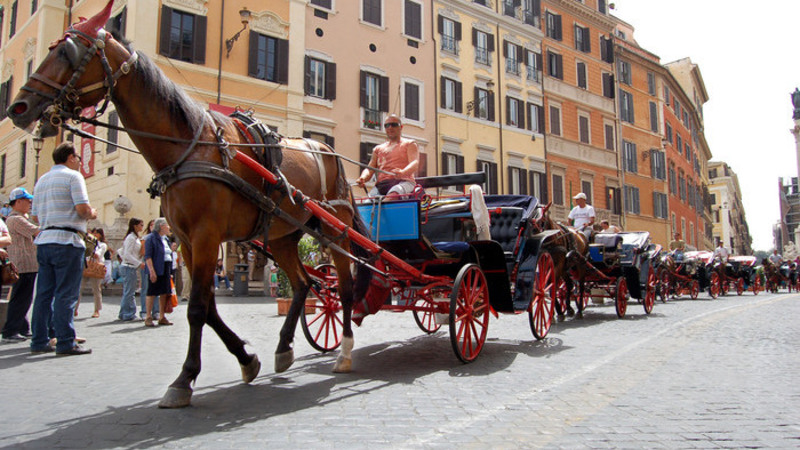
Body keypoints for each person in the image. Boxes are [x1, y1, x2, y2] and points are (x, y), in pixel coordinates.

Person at [30, 142, 97, 355]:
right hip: (67, 241)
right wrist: (92, 212)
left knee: (43, 294)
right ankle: (66, 342)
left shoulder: (41, 181)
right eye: (77, 157)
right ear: (70, 157)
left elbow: (35, 216)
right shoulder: (73, 177)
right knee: (66, 294)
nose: (79, 160)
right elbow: (82, 209)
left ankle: (39, 340)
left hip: (45, 239)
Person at [2, 188, 38, 343]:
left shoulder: (17, 218)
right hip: (23, 264)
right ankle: (11, 330)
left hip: (25, 264)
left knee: (23, 297)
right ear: (18, 202)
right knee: (21, 298)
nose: (30, 203)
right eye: (27, 201)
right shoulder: (16, 219)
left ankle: (23, 327)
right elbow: (36, 231)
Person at [355, 115, 419, 196]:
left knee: (393, 194)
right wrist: (363, 178)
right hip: (381, 186)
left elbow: (415, 163)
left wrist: (403, 172)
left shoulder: (410, 144)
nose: (390, 127)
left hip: (404, 182)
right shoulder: (378, 149)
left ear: (401, 127)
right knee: (367, 203)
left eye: (394, 125)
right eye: (387, 125)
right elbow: (369, 169)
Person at [144, 218, 174, 327]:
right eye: (167, 225)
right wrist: (152, 271)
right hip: (156, 267)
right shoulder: (151, 238)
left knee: (164, 292)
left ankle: (162, 316)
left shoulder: (166, 239)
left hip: (166, 267)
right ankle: (148, 316)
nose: (169, 227)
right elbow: (148, 256)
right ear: (161, 226)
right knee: (152, 292)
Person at [118, 218, 144, 321]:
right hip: (129, 266)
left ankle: (125, 312)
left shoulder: (135, 238)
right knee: (129, 291)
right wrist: (138, 263)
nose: (142, 227)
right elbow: (127, 254)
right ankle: (127, 313)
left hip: (131, 266)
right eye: (141, 225)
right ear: (135, 226)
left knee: (129, 291)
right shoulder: (131, 238)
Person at [79, 228, 107, 318]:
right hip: (85, 266)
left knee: (96, 289)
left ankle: (97, 310)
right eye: (93, 233)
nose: (94, 235)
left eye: (97, 233)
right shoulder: (86, 242)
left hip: (95, 267)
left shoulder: (102, 245)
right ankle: (74, 308)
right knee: (79, 288)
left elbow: (97, 254)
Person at [139, 219, 157, 319]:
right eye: (151, 225)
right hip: (147, 263)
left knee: (157, 289)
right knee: (146, 288)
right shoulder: (145, 238)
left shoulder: (161, 238)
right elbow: (142, 252)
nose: (153, 227)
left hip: (158, 264)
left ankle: (156, 311)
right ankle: (144, 311)